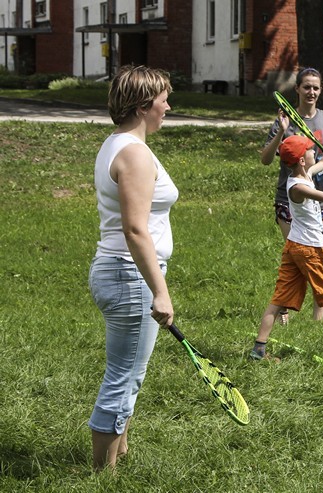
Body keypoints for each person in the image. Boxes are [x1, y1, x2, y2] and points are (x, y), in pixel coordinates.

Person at [88, 65, 178, 471]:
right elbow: (135, 230)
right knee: (123, 377)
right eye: (163, 100)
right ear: (144, 106)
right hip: (130, 275)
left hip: (120, 271)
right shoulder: (134, 155)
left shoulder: (116, 143)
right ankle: (103, 474)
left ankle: (118, 453)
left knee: (128, 373)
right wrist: (159, 290)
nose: (168, 106)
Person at [260, 67, 323, 323]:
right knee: (298, 261)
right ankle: (282, 310)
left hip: (321, 198)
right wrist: (282, 132)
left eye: (316, 88)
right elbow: (265, 159)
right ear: (297, 89)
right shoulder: (286, 120)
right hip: (291, 202)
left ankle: (316, 323)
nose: (311, 92)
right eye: (306, 87)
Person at [250, 135, 323, 360]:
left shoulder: (304, 173)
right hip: (310, 249)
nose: (312, 151)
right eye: (308, 149)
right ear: (301, 160)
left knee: (280, 298)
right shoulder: (298, 187)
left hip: (294, 246)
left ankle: (258, 349)